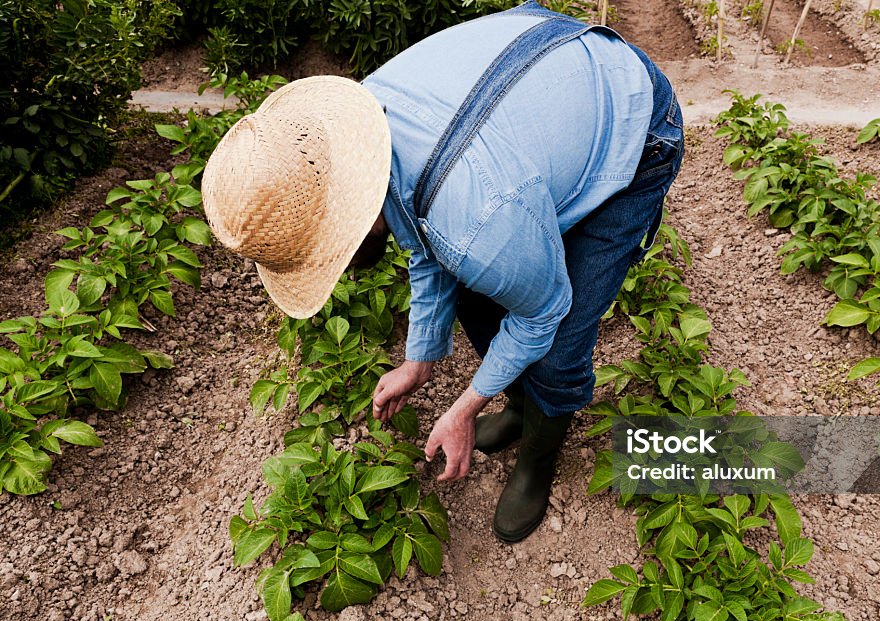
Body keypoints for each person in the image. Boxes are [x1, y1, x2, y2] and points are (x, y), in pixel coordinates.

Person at [201, 0, 684, 543]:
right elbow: (421, 229)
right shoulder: (363, 134)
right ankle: (521, 406)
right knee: (480, 295)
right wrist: (419, 359)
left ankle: (538, 460)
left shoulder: (477, 219)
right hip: (540, 107)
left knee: (560, 339)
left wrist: (464, 406)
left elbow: (542, 307)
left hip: (633, 121)